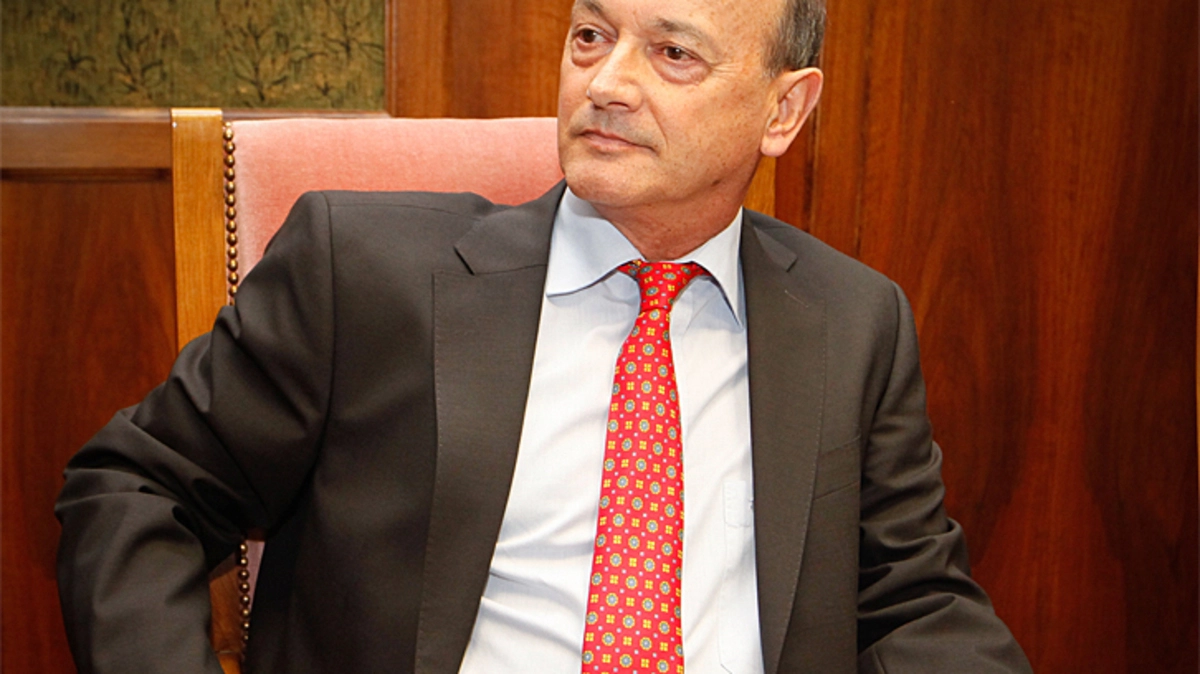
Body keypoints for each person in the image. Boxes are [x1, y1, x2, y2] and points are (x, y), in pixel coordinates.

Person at [55, 0, 1032, 672]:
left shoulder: (853, 323)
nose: (608, 82)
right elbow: (137, 489)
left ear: (784, 109)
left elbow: (913, 604)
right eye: (591, 36)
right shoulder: (364, 275)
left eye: (673, 54)